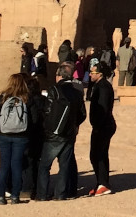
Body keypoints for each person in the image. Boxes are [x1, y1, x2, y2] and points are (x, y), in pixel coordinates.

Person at [34, 64, 86, 201]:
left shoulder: (55, 90)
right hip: (69, 134)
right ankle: (60, 194)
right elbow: (82, 114)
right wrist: (74, 125)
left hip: (53, 134)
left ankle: (42, 194)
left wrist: (47, 126)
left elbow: (47, 110)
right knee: (64, 166)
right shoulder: (77, 92)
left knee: (44, 165)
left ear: (60, 75)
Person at [0, 73, 34, 204]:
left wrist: (0, 129)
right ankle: (15, 196)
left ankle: (1, 196)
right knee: (16, 165)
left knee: (4, 165)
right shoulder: (27, 99)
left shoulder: (2, 98)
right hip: (21, 136)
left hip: (3, 136)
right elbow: (33, 119)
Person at [86, 61, 116, 196]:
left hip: (103, 125)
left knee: (98, 155)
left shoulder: (103, 87)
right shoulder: (99, 85)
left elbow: (103, 108)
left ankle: (103, 184)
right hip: (100, 125)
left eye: (93, 73)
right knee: (97, 154)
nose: (90, 75)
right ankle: (100, 183)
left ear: (100, 74)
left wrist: (98, 125)